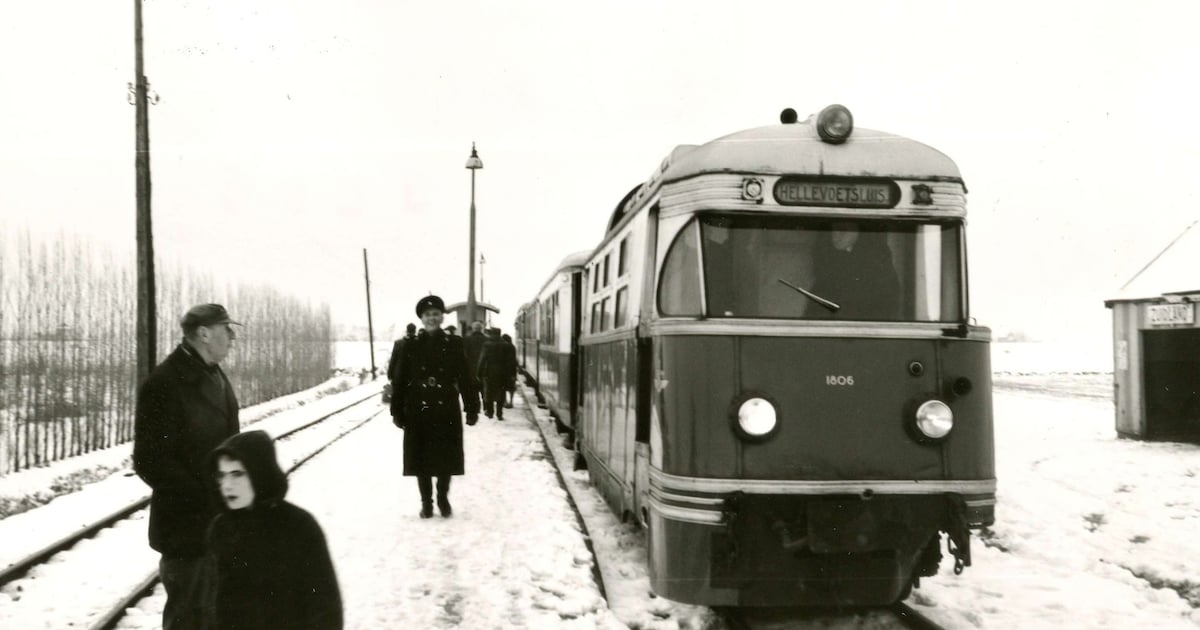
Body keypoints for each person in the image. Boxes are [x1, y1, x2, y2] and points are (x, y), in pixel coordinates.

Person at [133, 303, 242, 630]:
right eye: (226, 329)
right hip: (187, 530)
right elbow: (149, 461)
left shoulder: (214, 373)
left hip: (218, 525)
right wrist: (206, 495)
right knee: (190, 619)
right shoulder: (165, 383)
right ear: (204, 334)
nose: (232, 337)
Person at [206, 430, 343, 630]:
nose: (226, 485)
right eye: (221, 475)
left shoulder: (299, 526)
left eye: (237, 474)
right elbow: (216, 608)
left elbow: (325, 609)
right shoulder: (220, 530)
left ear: (259, 474)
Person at [390, 295, 480, 518]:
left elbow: (466, 377)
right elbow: (399, 380)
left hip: (445, 405)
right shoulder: (409, 345)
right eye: (428, 315)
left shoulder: (454, 343)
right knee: (420, 457)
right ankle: (426, 503)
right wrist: (397, 410)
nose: (432, 318)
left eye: (436, 314)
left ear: (441, 317)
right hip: (417, 406)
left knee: (446, 456)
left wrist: (471, 406)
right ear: (422, 318)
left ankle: (442, 497)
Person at [811, 221, 901, 320]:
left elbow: (886, 308)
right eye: (833, 230)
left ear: (859, 232)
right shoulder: (826, 264)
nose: (836, 236)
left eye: (843, 230)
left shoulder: (877, 264)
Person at [477, 327, 517, 420]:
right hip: (503, 373)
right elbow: (512, 362)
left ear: (491, 334)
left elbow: (482, 360)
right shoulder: (507, 345)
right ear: (499, 334)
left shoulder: (487, 345)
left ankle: (490, 412)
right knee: (501, 393)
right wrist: (512, 375)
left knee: (489, 393)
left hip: (489, 372)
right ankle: (499, 414)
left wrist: (478, 373)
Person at [462, 321, 487, 412]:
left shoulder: (467, 339)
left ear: (473, 329)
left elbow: (464, 355)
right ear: (481, 329)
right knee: (484, 387)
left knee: (473, 388)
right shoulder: (486, 339)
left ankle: (477, 407)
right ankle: (486, 406)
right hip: (484, 368)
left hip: (471, 368)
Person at [501, 333, 517, 408]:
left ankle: (505, 401)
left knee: (503, 387)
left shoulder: (501, 346)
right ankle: (511, 401)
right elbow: (513, 359)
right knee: (511, 387)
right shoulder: (512, 347)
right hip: (511, 369)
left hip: (503, 370)